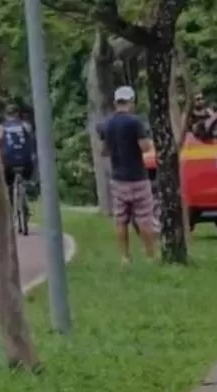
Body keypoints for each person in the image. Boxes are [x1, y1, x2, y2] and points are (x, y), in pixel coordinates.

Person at [98, 86, 157, 264]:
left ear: (116, 102)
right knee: (144, 218)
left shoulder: (107, 124)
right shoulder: (135, 122)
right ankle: (150, 256)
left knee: (121, 219)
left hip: (118, 179)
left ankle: (125, 257)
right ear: (131, 102)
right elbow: (145, 147)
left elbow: (104, 151)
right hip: (138, 177)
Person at [0, 104, 37, 208]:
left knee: (7, 182)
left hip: (8, 162)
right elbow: (32, 141)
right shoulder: (26, 126)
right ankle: (30, 184)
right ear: (18, 114)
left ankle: (11, 202)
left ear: (6, 115)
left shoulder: (1, 128)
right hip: (25, 161)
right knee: (33, 165)